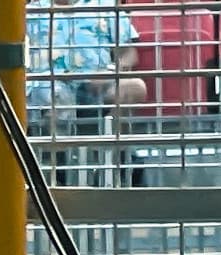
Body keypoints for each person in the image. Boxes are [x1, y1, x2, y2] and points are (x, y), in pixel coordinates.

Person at [24, 0, 142, 183]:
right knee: (51, 95)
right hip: (50, 85)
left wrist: (109, 71)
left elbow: (129, 54)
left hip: (100, 82)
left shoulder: (105, 5)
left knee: (134, 87)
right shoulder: (30, 11)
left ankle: (113, 164)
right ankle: (59, 174)